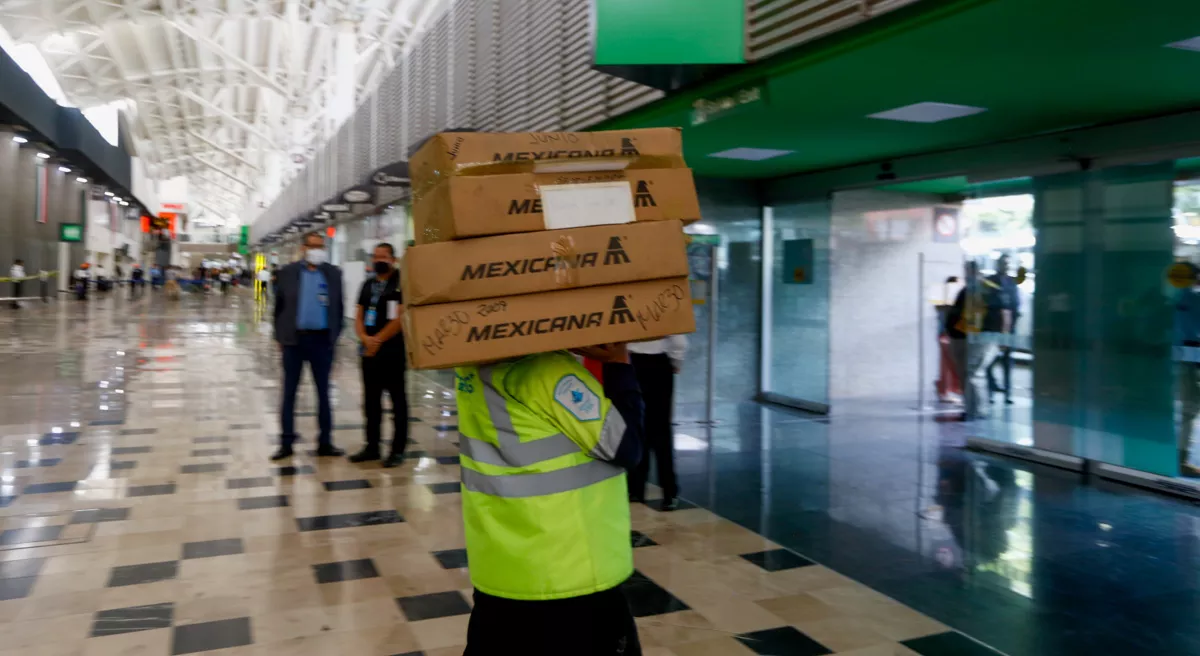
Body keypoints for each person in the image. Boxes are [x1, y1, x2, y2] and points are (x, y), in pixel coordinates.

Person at [457, 343, 644, 655]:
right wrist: (618, 363)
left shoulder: (470, 369)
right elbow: (627, 447)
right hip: (568, 578)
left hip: (502, 573)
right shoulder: (548, 373)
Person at [271, 231, 345, 460]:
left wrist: (334, 337)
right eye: (312, 246)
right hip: (294, 341)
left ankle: (325, 442)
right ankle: (286, 442)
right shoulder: (288, 273)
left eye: (320, 246)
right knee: (289, 393)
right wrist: (280, 337)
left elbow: (339, 307)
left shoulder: (332, 273)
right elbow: (279, 308)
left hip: (322, 342)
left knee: (323, 393)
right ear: (303, 248)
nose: (317, 250)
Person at [349, 243, 409, 467]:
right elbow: (359, 314)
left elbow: (401, 318)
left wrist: (378, 340)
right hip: (369, 352)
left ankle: (397, 450)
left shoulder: (402, 283)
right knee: (371, 401)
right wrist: (364, 338)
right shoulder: (368, 284)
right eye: (375, 257)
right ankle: (371, 446)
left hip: (392, 352)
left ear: (393, 259)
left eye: (383, 257)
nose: (378, 260)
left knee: (397, 402)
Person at [626, 335, 687, 509]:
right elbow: (679, 340)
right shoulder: (663, 307)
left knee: (637, 426)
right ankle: (669, 492)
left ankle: (636, 489)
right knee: (661, 430)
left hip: (632, 362)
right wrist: (676, 361)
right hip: (660, 364)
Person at [944, 261, 995, 420]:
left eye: (968, 271)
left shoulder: (983, 289)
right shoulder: (967, 290)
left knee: (973, 373)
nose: (966, 274)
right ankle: (971, 407)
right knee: (965, 374)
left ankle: (978, 409)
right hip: (960, 337)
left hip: (973, 338)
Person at [984, 255, 1020, 405]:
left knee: (1007, 361)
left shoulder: (1012, 282)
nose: (1005, 266)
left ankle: (1007, 392)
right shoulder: (990, 281)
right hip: (993, 325)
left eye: (1007, 263)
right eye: (1003, 263)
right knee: (988, 361)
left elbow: (1015, 304)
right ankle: (992, 390)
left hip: (1009, 327)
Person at [1177, 263, 1200, 477]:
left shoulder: (1171, 298)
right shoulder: (1194, 299)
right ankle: (1181, 459)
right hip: (1190, 358)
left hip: (1172, 359)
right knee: (1189, 409)